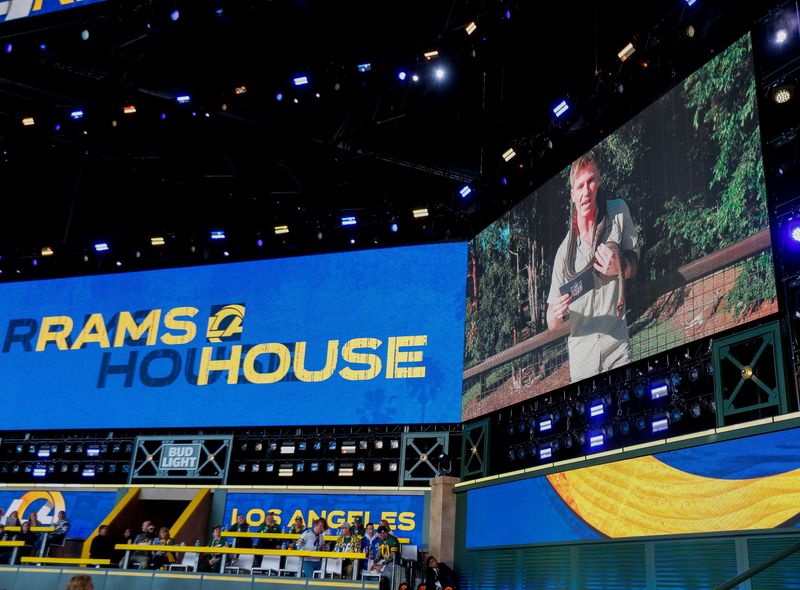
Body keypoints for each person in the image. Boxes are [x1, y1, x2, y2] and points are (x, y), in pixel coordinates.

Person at [546, 150, 640, 383]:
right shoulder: (563, 253)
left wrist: (620, 266)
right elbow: (551, 321)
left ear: (598, 182)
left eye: (590, 181)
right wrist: (556, 313)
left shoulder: (618, 213)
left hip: (617, 346)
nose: (585, 191)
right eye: (579, 186)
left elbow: (635, 265)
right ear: (572, 194)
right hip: (582, 359)